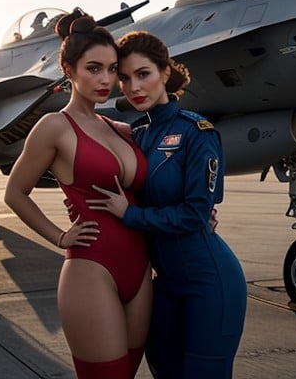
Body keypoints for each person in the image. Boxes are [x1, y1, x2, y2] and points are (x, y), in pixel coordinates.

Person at [88, 30, 247, 378]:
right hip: (163, 285)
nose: (133, 87)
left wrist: (130, 215)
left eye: (143, 74)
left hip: (210, 281)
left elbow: (196, 214)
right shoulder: (138, 135)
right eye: (125, 78)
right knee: (164, 369)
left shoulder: (197, 132)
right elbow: (88, 127)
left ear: (164, 72)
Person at [3, 10, 152, 378]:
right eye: (93, 68)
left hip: (141, 272)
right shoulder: (54, 126)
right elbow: (15, 193)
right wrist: (59, 236)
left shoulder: (119, 128)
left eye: (112, 69)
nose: (106, 80)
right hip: (92, 271)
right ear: (68, 69)